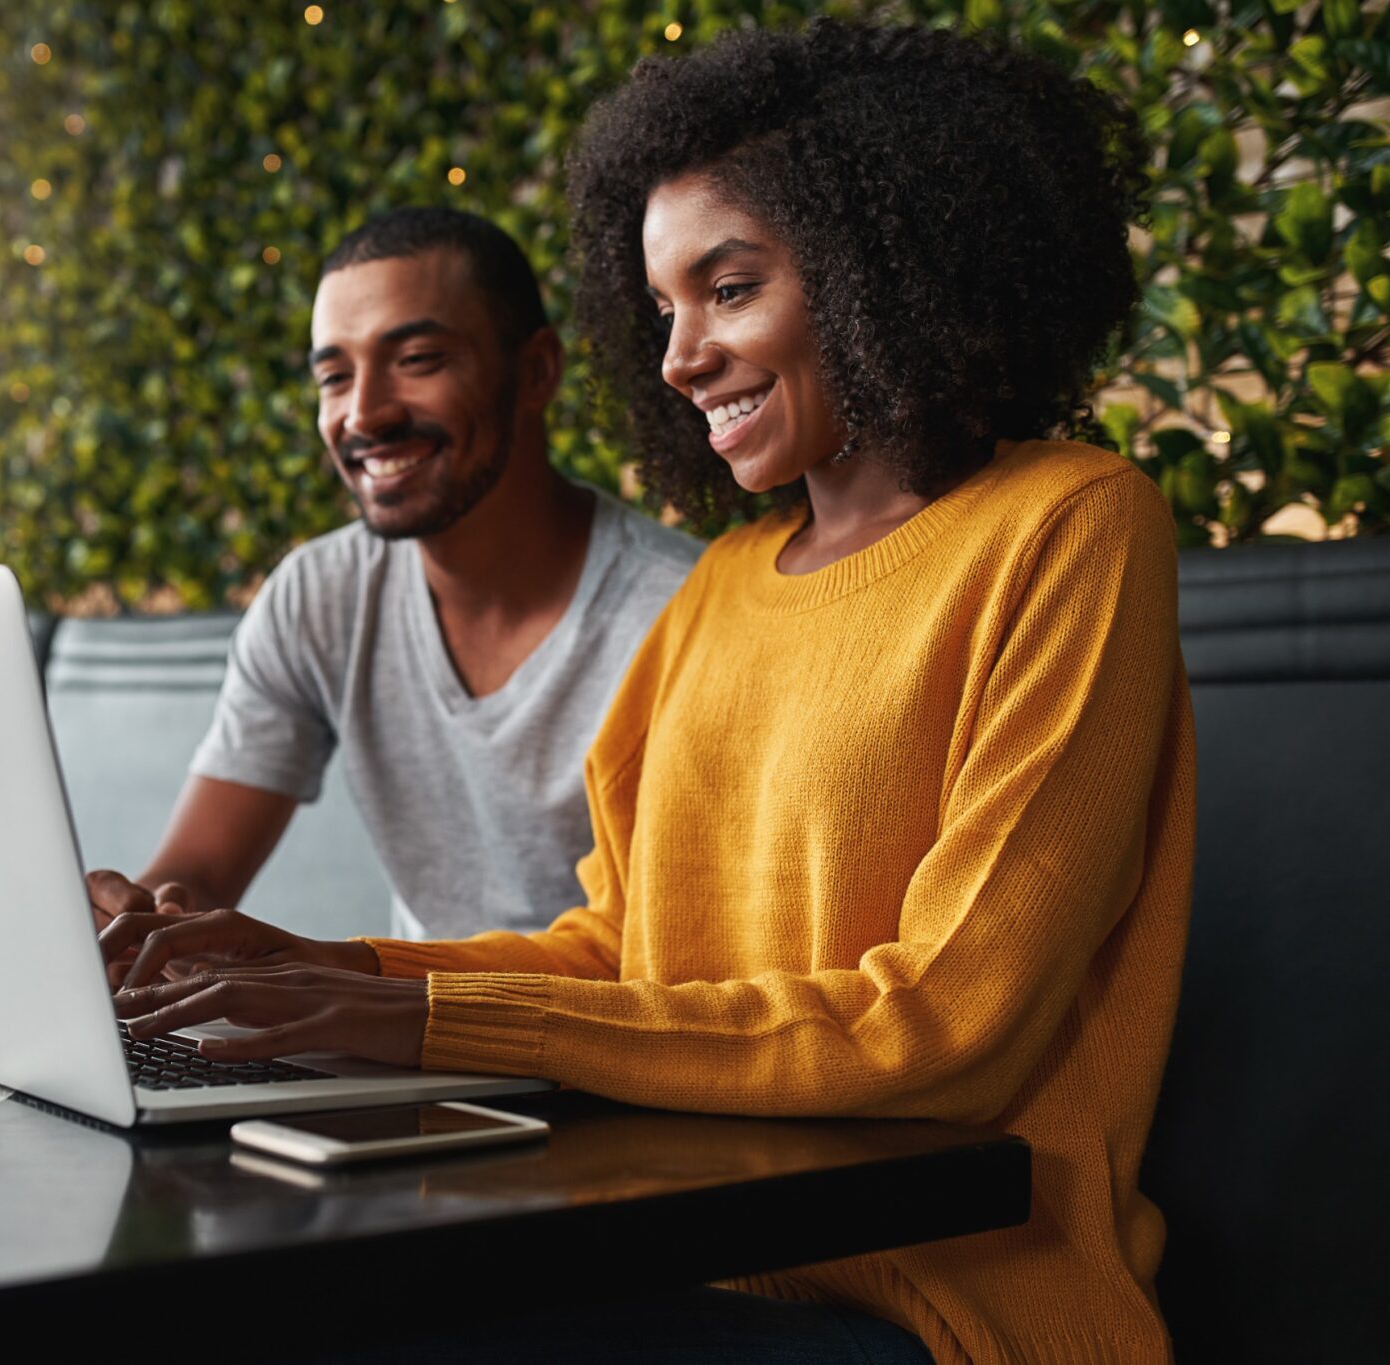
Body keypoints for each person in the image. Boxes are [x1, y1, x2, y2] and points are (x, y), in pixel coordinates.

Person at [100, 21, 1194, 1364]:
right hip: (682, 1231)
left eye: (727, 289)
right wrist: (323, 969)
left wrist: (413, 1013)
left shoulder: (1073, 525)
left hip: (931, 1279)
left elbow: (945, 1026)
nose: (679, 357)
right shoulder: (726, 586)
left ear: (880, 271)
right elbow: (617, 949)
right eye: (665, 309)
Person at [88, 208, 700, 944]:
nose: (364, 414)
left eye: (417, 361)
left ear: (536, 370)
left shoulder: (678, 616)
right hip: (402, 1044)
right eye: (334, 376)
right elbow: (198, 875)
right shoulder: (317, 599)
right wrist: (138, 915)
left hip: (600, 1048)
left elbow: (677, 964)